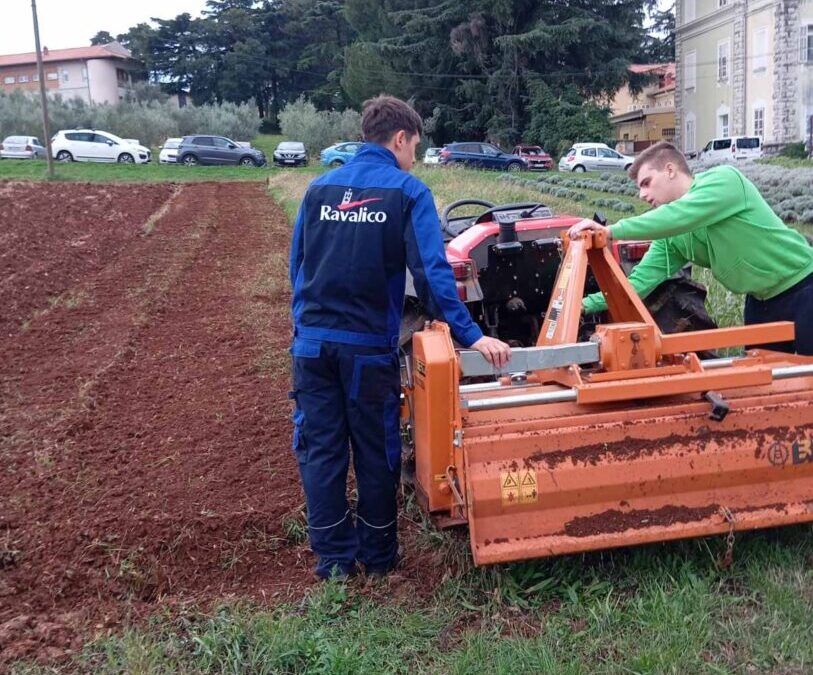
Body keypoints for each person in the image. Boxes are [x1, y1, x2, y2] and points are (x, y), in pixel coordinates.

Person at [289, 95, 511, 580]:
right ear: (400, 139)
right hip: (367, 349)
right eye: (415, 146)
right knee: (376, 448)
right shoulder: (408, 192)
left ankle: (333, 562)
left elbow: (298, 267)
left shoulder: (318, 189)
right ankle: (379, 555)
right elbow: (431, 276)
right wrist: (471, 335)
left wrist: (303, 331)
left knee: (321, 448)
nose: (415, 156)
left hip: (312, 346)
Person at [569, 141, 813, 355]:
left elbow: (680, 216)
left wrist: (610, 231)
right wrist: (580, 305)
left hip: (803, 287)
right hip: (761, 303)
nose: (642, 194)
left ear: (670, 170)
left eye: (646, 183)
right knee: (767, 383)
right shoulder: (672, 239)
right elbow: (637, 285)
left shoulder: (725, 181)